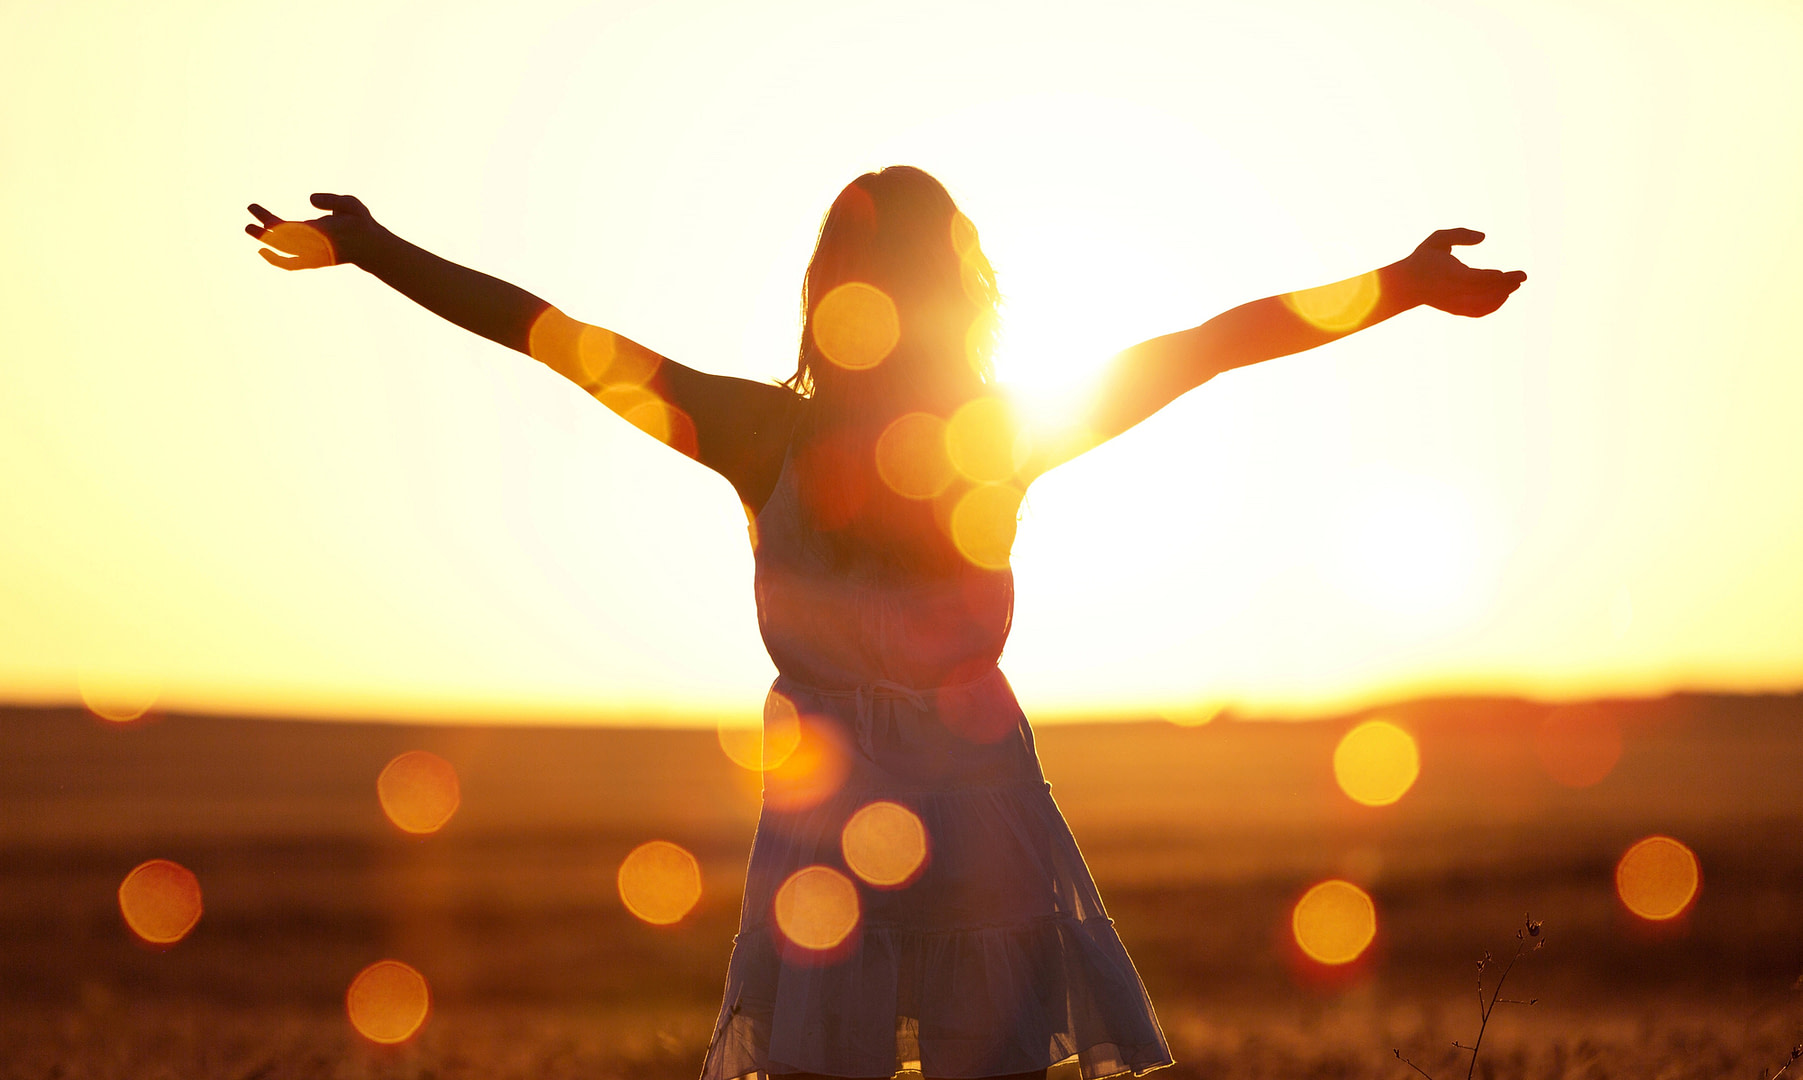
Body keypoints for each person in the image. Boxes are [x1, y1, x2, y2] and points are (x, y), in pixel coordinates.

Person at [245, 167, 1524, 1080]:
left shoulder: (834, 435)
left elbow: (1205, 346)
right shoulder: (888, 435)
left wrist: (1402, 285)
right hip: (871, 816)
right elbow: (551, 337)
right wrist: (377, 250)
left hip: (940, 807)